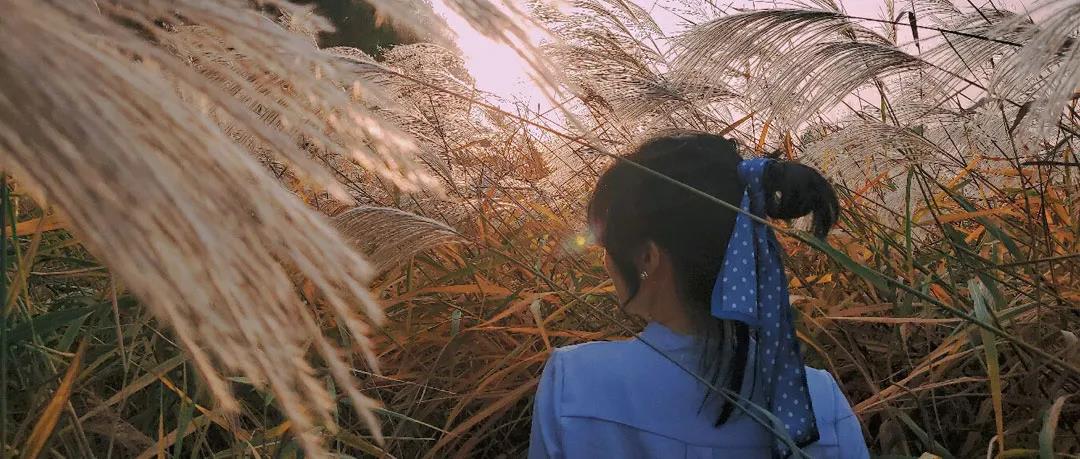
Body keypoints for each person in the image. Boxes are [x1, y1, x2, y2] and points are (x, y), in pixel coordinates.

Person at [528, 131, 870, 458]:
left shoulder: (574, 384)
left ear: (647, 258)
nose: (606, 261)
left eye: (608, 247)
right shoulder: (819, 403)